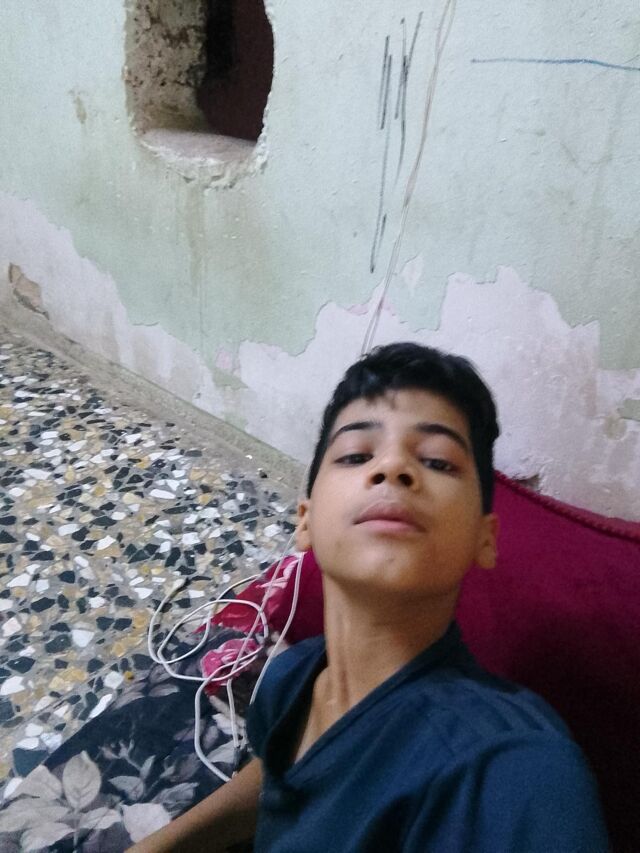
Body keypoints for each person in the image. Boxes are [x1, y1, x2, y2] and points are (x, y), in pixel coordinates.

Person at [130, 343, 608, 852]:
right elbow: (277, 781)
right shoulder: (289, 680)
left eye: (438, 461)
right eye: (357, 456)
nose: (394, 467)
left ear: (484, 538)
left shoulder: (511, 772)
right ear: (306, 521)